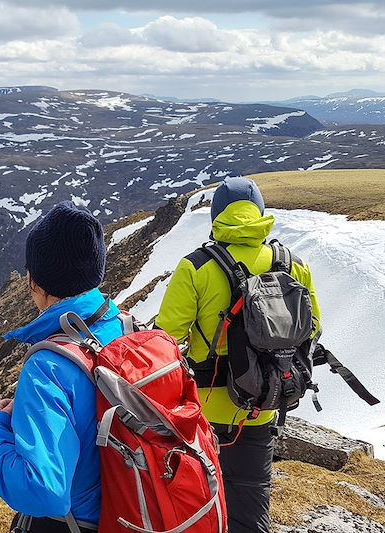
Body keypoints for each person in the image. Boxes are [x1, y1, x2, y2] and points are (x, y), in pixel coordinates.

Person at [155, 177, 321, 533]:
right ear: (259, 213)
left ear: (217, 216)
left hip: (204, 410)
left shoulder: (196, 267)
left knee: (196, 506)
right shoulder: (293, 265)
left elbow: (166, 338)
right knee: (250, 507)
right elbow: (314, 327)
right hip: (263, 403)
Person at [0, 201, 125, 533]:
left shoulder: (48, 368)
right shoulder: (129, 330)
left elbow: (44, 492)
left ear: (34, 282)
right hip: (133, 513)